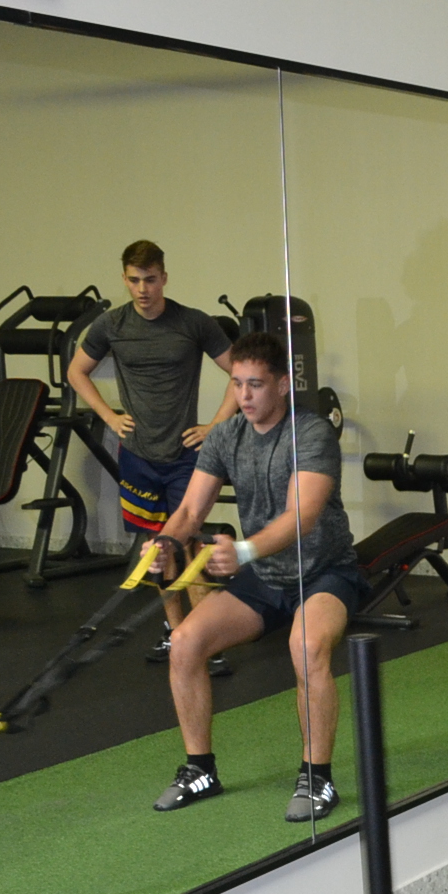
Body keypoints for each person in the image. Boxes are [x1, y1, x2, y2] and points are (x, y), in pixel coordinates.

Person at [144, 327, 370, 822]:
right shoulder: (226, 436)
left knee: (306, 647)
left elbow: (302, 516)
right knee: (184, 643)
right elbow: (190, 511)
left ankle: (317, 778)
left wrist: (243, 550)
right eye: (237, 384)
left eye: (256, 385)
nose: (244, 396)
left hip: (323, 572)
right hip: (265, 576)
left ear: (283, 385)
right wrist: (164, 544)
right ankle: (200, 769)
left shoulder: (310, 434)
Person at [65, 240, 236, 665]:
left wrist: (215, 426)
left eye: (151, 280)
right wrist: (109, 416)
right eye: (135, 280)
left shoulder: (193, 322)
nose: (143, 289)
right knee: (157, 549)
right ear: (124, 280)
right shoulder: (111, 324)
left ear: (164, 278)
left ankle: (205, 641)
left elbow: (241, 372)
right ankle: (177, 634)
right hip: (138, 456)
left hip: (186, 456)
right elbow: (76, 371)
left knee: (190, 544)